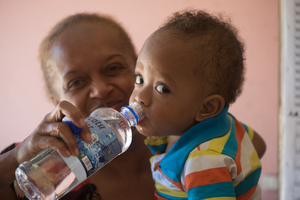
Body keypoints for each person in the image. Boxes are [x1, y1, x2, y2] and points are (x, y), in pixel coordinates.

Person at [0, 12, 265, 200]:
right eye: (77, 82)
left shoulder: (194, 147)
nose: (101, 89)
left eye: (114, 68)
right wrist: (18, 156)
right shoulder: (41, 168)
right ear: (55, 98)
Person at [130, 10, 262, 199]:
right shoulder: (225, 124)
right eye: (139, 78)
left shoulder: (203, 160)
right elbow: (259, 145)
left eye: (162, 88)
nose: (140, 97)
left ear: (207, 108)